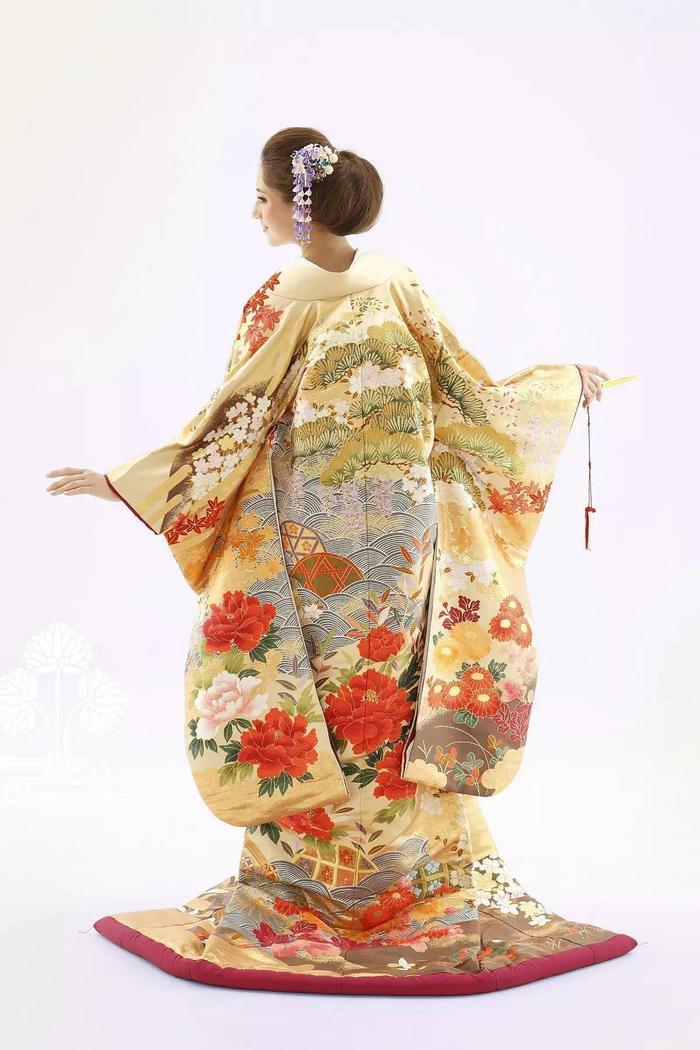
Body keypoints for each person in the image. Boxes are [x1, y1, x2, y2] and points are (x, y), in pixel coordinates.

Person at [46, 128, 636, 994]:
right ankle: (388, 878)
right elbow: (466, 392)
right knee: (368, 694)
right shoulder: (391, 283)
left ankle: (357, 879)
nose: (255, 212)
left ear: (300, 207)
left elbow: (234, 418)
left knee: (357, 693)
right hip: (385, 537)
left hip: (325, 539)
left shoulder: (290, 297)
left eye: (262, 198)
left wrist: (129, 483)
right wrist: (552, 388)